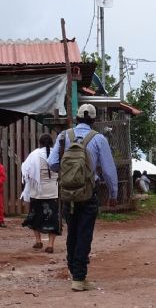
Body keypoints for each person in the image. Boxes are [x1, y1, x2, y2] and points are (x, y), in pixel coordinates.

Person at [48, 104, 118, 292]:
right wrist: (113, 194)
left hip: (67, 194)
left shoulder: (64, 136)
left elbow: (52, 163)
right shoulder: (98, 139)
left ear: (77, 118)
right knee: (84, 234)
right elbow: (109, 171)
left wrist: (68, 174)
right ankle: (79, 277)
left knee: (72, 232)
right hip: (88, 194)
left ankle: (74, 270)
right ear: (93, 120)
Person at [21, 134, 61, 253]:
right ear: (52, 143)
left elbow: (25, 170)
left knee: (35, 216)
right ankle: (50, 245)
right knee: (53, 218)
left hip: (37, 192)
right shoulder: (57, 154)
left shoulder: (34, 154)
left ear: (40, 143)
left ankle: (38, 241)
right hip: (53, 191)